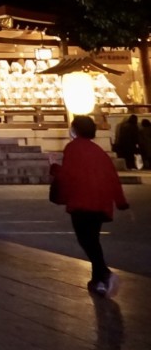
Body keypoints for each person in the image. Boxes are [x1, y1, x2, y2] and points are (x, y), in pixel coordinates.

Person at [51, 114, 130, 297]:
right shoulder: (99, 151)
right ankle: (98, 281)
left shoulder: (73, 148)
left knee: (86, 240)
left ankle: (105, 273)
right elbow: (112, 177)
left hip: (81, 201)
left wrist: (54, 168)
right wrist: (121, 202)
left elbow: (68, 175)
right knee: (93, 239)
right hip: (100, 201)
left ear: (75, 129)